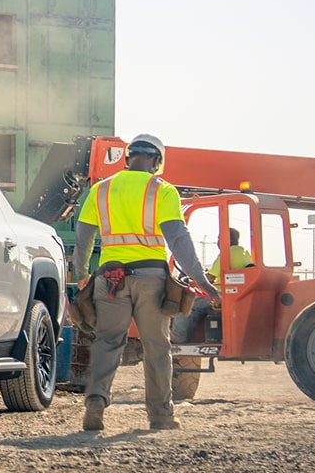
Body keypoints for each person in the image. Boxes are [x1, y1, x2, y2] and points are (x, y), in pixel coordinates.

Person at [72, 134, 221, 432]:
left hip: (110, 279)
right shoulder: (161, 191)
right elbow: (178, 239)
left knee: (108, 342)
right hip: (151, 280)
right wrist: (202, 280)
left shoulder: (101, 190)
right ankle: (161, 417)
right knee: (156, 347)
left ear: (128, 159)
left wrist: (82, 275)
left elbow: (83, 238)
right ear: (156, 161)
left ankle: (96, 403)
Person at [174, 228, 252, 342]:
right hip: (235, 293)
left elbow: (209, 278)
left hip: (222, 294)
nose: (217, 242)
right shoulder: (243, 252)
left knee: (187, 304)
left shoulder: (227, 254)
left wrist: (190, 280)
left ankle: (177, 338)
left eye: (219, 238)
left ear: (227, 239)